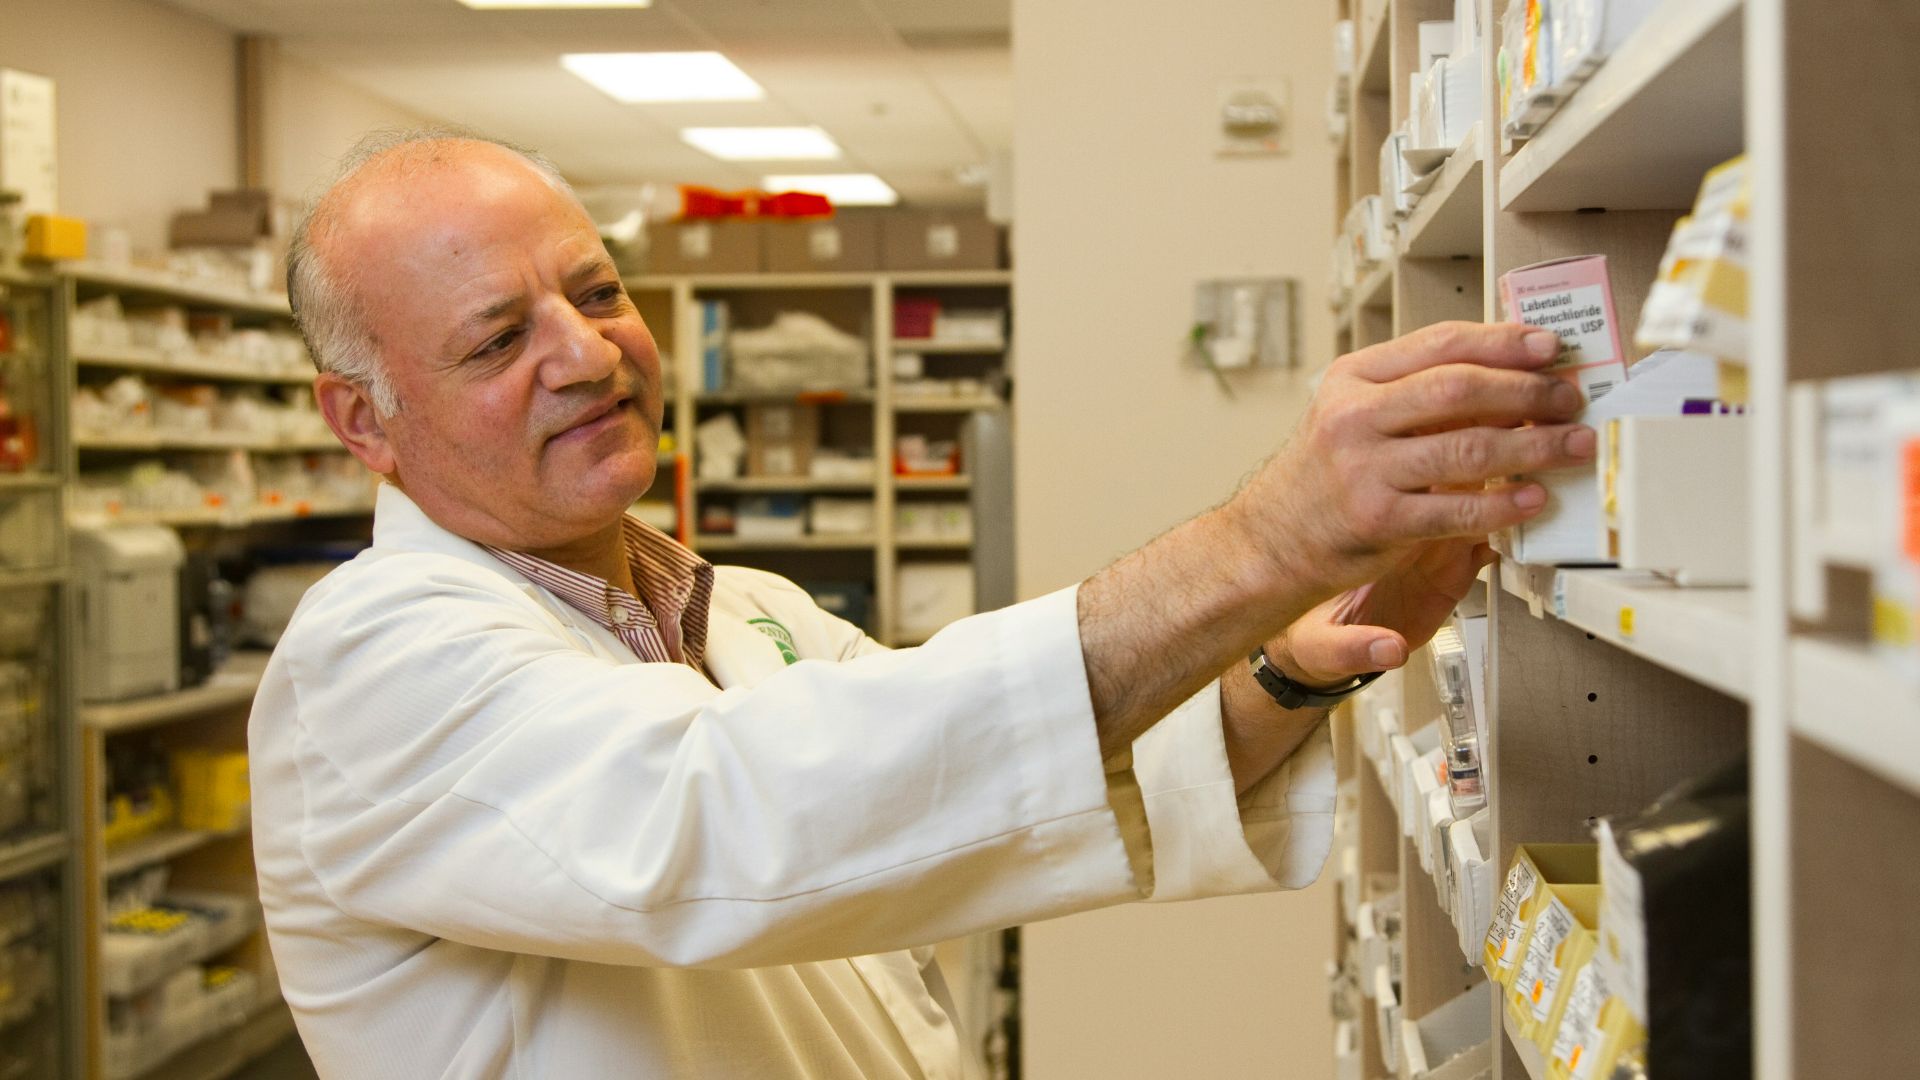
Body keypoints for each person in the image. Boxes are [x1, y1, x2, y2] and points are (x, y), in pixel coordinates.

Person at [249, 129, 1592, 1079]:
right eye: (499, 338)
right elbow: (728, 824)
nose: (588, 353)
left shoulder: (741, 609)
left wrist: (1290, 671)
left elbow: (955, 805)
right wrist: (1258, 543)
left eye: (598, 293)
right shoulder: (369, 667)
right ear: (365, 421)